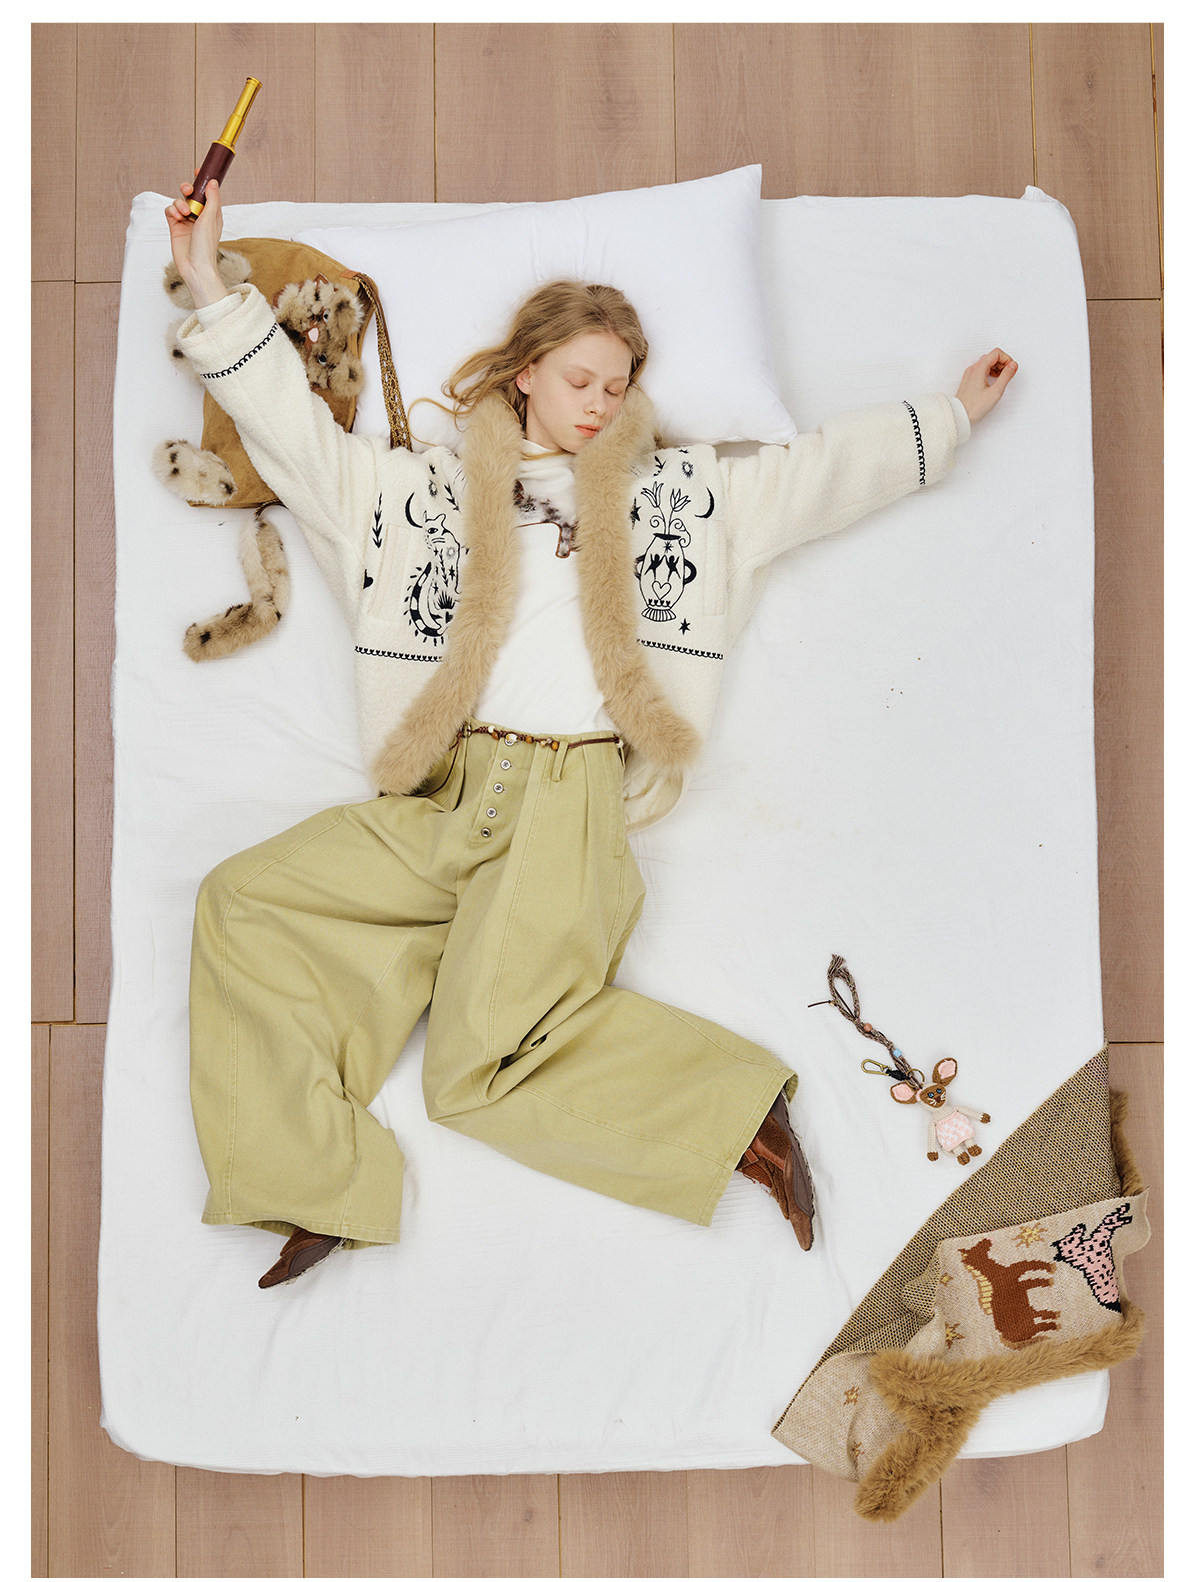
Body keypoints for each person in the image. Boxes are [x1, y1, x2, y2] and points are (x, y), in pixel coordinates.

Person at [166, 178, 1017, 1289]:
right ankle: (314, 1177)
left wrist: (949, 416)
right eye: (580, 379)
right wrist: (205, 281)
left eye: (619, 387)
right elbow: (291, 435)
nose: (602, 404)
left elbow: (815, 475)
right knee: (244, 901)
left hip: (565, 802)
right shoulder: (414, 493)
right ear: (525, 372)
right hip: (445, 794)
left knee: (470, 1071)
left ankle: (732, 1112)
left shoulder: (681, 498)